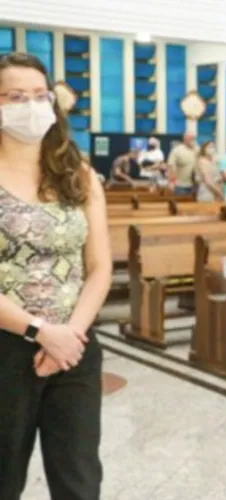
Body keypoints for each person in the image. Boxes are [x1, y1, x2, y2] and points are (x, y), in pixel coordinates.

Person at [0, 52, 112, 500]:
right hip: (7, 344)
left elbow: (100, 267)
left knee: (79, 482)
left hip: (74, 346)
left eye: (39, 95)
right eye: (15, 96)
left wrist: (69, 336)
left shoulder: (78, 175)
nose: (31, 105)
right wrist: (40, 331)